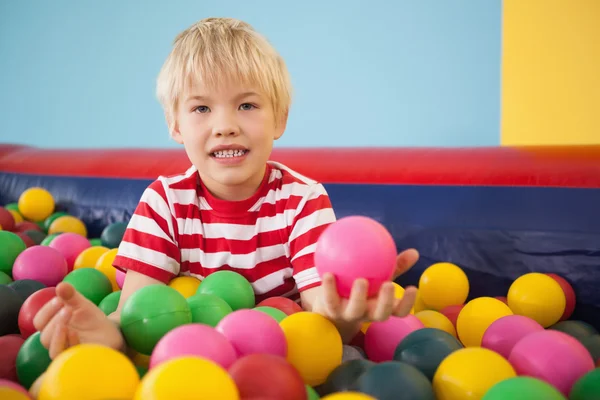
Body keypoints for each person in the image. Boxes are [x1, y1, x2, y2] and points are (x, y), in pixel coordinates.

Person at [33, 17, 418, 365]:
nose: (225, 125)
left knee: (349, 360)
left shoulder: (302, 201)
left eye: (247, 105)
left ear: (279, 118)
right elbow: (138, 314)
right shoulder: (164, 203)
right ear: (175, 125)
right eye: (202, 109)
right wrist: (108, 335)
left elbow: (323, 316)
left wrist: (346, 313)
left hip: (282, 359)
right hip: (189, 361)